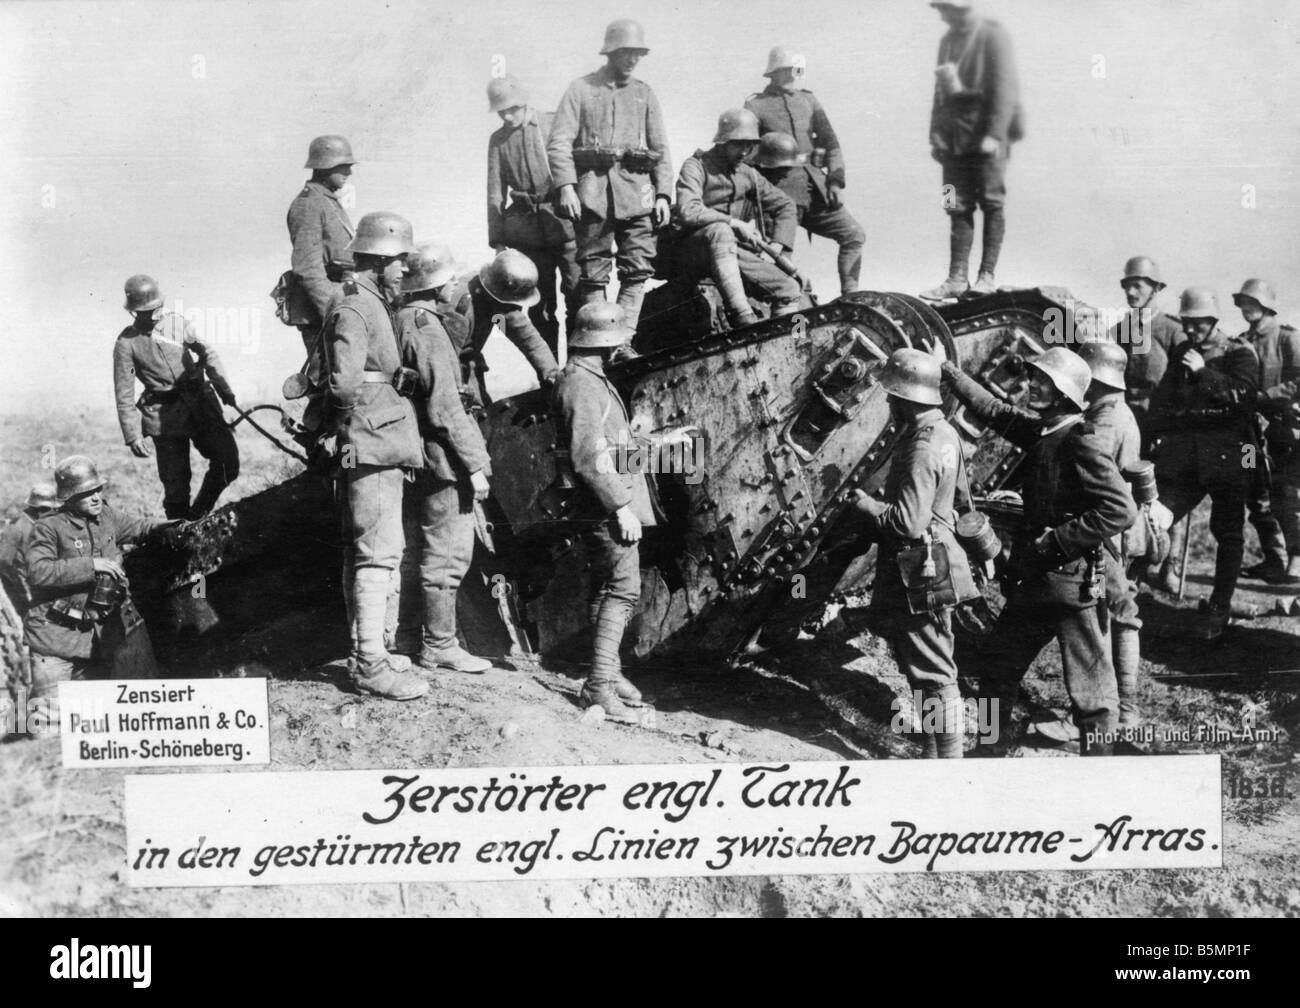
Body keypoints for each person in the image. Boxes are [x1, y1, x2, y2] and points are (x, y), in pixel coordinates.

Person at [942, 348, 1135, 755]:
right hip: (1035, 581)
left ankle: (1101, 773)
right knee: (997, 668)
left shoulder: (1081, 441)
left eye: (1041, 381)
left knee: (1092, 694)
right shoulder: (1045, 431)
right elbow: (995, 410)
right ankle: (988, 751)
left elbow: (1120, 509)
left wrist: (1058, 540)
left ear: (1063, 392)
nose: (1031, 385)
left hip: (1071, 585)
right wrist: (948, 372)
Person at [323, 210, 429, 701]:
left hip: (368, 438)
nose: (405, 269)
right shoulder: (356, 306)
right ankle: (369, 663)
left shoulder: (367, 302)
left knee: (365, 548)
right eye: (399, 260)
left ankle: (368, 651)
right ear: (379, 259)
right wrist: (355, 418)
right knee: (377, 551)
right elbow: (343, 382)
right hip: (373, 440)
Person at [852, 349, 974, 757]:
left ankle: (950, 763)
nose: (888, 402)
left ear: (908, 398)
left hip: (922, 567)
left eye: (892, 395)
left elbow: (907, 523)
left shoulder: (921, 447)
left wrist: (864, 505)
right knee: (925, 668)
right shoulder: (945, 433)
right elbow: (959, 501)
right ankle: (936, 755)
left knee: (935, 670)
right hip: (934, 560)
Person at [392, 242, 495, 674]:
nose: (456, 284)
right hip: (443, 457)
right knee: (447, 553)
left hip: (418, 452)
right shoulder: (428, 328)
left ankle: (412, 637)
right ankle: (438, 645)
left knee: (421, 547)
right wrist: (475, 463)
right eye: (451, 279)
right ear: (434, 285)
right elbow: (445, 407)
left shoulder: (402, 319)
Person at [553, 303, 656, 717]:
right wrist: (620, 507)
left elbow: (607, 446)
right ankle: (599, 685)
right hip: (603, 506)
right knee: (623, 588)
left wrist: (644, 441)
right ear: (606, 341)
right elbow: (587, 456)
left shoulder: (590, 379)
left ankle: (607, 673)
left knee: (605, 587)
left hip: (603, 500)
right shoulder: (581, 384)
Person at [547, 17, 673, 335]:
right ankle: (604, 342)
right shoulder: (580, 89)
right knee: (593, 271)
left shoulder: (645, 94)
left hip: (638, 195)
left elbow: (661, 148)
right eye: (626, 52)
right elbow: (559, 143)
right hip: (593, 196)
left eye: (637, 54)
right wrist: (566, 187)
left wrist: (663, 195)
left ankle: (624, 338)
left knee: (638, 268)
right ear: (610, 52)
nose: (633, 60)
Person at [1148, 289, 1260, 639]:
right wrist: (1152, 434)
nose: (1192, 330)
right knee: (1154, 519)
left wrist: (1203, 373)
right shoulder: (1183, 351)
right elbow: (1163, 398)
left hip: (1230, 456)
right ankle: (1129, 589)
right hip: (1184, 457)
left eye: (1198, 324)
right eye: (1187, 323)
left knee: (1227, 534)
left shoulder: (1239, 352)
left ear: (1213, 322)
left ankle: (1219, 606)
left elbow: (1244, 398)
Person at [24, 457, 172, 711]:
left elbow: (139, 527)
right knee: (51, 723)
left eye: (98, 489)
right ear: (69, 497)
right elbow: (38, 572)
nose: (95, 497)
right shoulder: (48, 528)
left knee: (88, 722)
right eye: (87, 493)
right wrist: (93, 565)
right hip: (54, 642)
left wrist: (173, 526)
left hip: (93, 641)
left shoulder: (107, 516)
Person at [113, 274, 241, 519]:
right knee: (176, 488)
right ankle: (178, 538)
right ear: (134, 312)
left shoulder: (177, 324)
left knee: (228, 463)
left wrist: (225, 390)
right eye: (147, 311)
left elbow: (207, 353)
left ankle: (197, 517)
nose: (156, 314)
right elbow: (124, 392)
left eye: (158, 308)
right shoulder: (126, 344)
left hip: (201, 406)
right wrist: (132, 435)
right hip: (166, 419)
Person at [744, 47, 866, 296]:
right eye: (785, 70)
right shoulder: (756, 105)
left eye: (794, 70)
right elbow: (746, 150)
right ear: (773, 73)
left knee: (854, 235)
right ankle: (787, 315)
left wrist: (835, 181)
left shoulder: (808, 101)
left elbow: (831, 144)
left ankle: (851, 296)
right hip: (778, 192)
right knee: (780, 257)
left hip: (816, 188)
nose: (791, 75)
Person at [922, 1, 1021, 300]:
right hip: (953, 143)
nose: (942, 15)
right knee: (953, 203)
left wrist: (994, 134)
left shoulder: (993, 35)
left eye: (946, 9)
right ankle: (956, 278)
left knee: (992, 202)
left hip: (987, 140)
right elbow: (940, 92)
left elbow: (1005, 89)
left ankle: (986, 276)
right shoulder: (947, 40)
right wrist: (935, 136)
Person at [674, 109, 801, 328]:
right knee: (720, 231)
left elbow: (785, 205)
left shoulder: (748, 174)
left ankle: (792, 346)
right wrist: (733, 223)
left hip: (731, 253)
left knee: (790, 289)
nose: (744, 151)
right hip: (693, 251)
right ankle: (743, 319)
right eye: (738, 144)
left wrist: (777, 246)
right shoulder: (696, 166)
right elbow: (688, 210)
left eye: (750, 145)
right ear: (723, 141)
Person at [1076, 342, 1146, 732]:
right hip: (1117, 530)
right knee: (1115, 613)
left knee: (1116, 614)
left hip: (1106, 535)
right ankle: (1120, 710)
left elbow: (1086, 473)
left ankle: (1123, 712)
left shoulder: (1104, 421)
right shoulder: (1119, 411)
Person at [486, 75, 579, 355]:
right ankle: (549, 374)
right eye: (501, 110)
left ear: (524, 101)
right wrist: (498, 241)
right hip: (528, 235)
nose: (507, 115)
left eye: (511, 108)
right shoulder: (498, 141)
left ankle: (581, 367)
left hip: (565, 224)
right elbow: (494, 193)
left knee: (577, 295)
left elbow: (577, 168)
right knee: (541, 306)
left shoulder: (552, 123)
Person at [1233, 280, 1300, 585]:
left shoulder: (1287, 338)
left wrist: (1267, 397)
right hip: (1248, 435)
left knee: (1285, 495)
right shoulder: (1240, 341)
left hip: (1281, 432)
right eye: (1243, 302)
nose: (1247, 308)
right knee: (1254, 491)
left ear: (1266, 305)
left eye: (1252, 302)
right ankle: (1275, 559)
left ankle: (1296, 559)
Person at [284, 135, 356, 357]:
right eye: (343, 167)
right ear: (326, 166)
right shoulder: (309, 204)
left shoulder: (326, 202)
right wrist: (334, 312)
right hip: (321, 314)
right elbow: (308, 268)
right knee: (328, 383)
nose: (349, 173)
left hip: (337, 303)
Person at [0, 481, 58, 615]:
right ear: (36, 508)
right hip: (22, 589)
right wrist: (21, 589)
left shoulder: (46, 525)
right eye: (46, 509)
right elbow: (4, 561)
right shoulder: (17, 527)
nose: (51, 512)